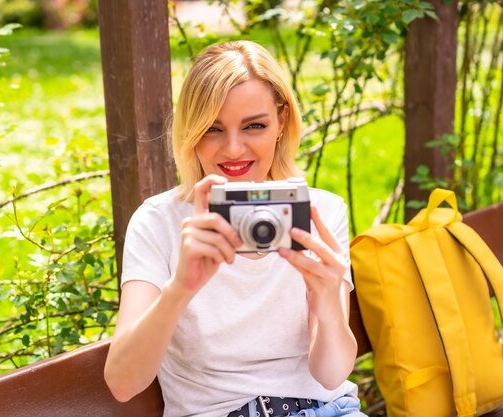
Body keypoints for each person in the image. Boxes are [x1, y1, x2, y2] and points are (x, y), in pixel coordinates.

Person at [104, 40, 366, 417]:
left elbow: (331, 374)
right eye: (212, 129)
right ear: (190, 132)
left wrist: (326, 299)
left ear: (282, 123)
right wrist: (181, 288)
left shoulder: (320, 211)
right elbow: (123, 383)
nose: (232, 149)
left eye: (254, 126)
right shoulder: (159, 222)